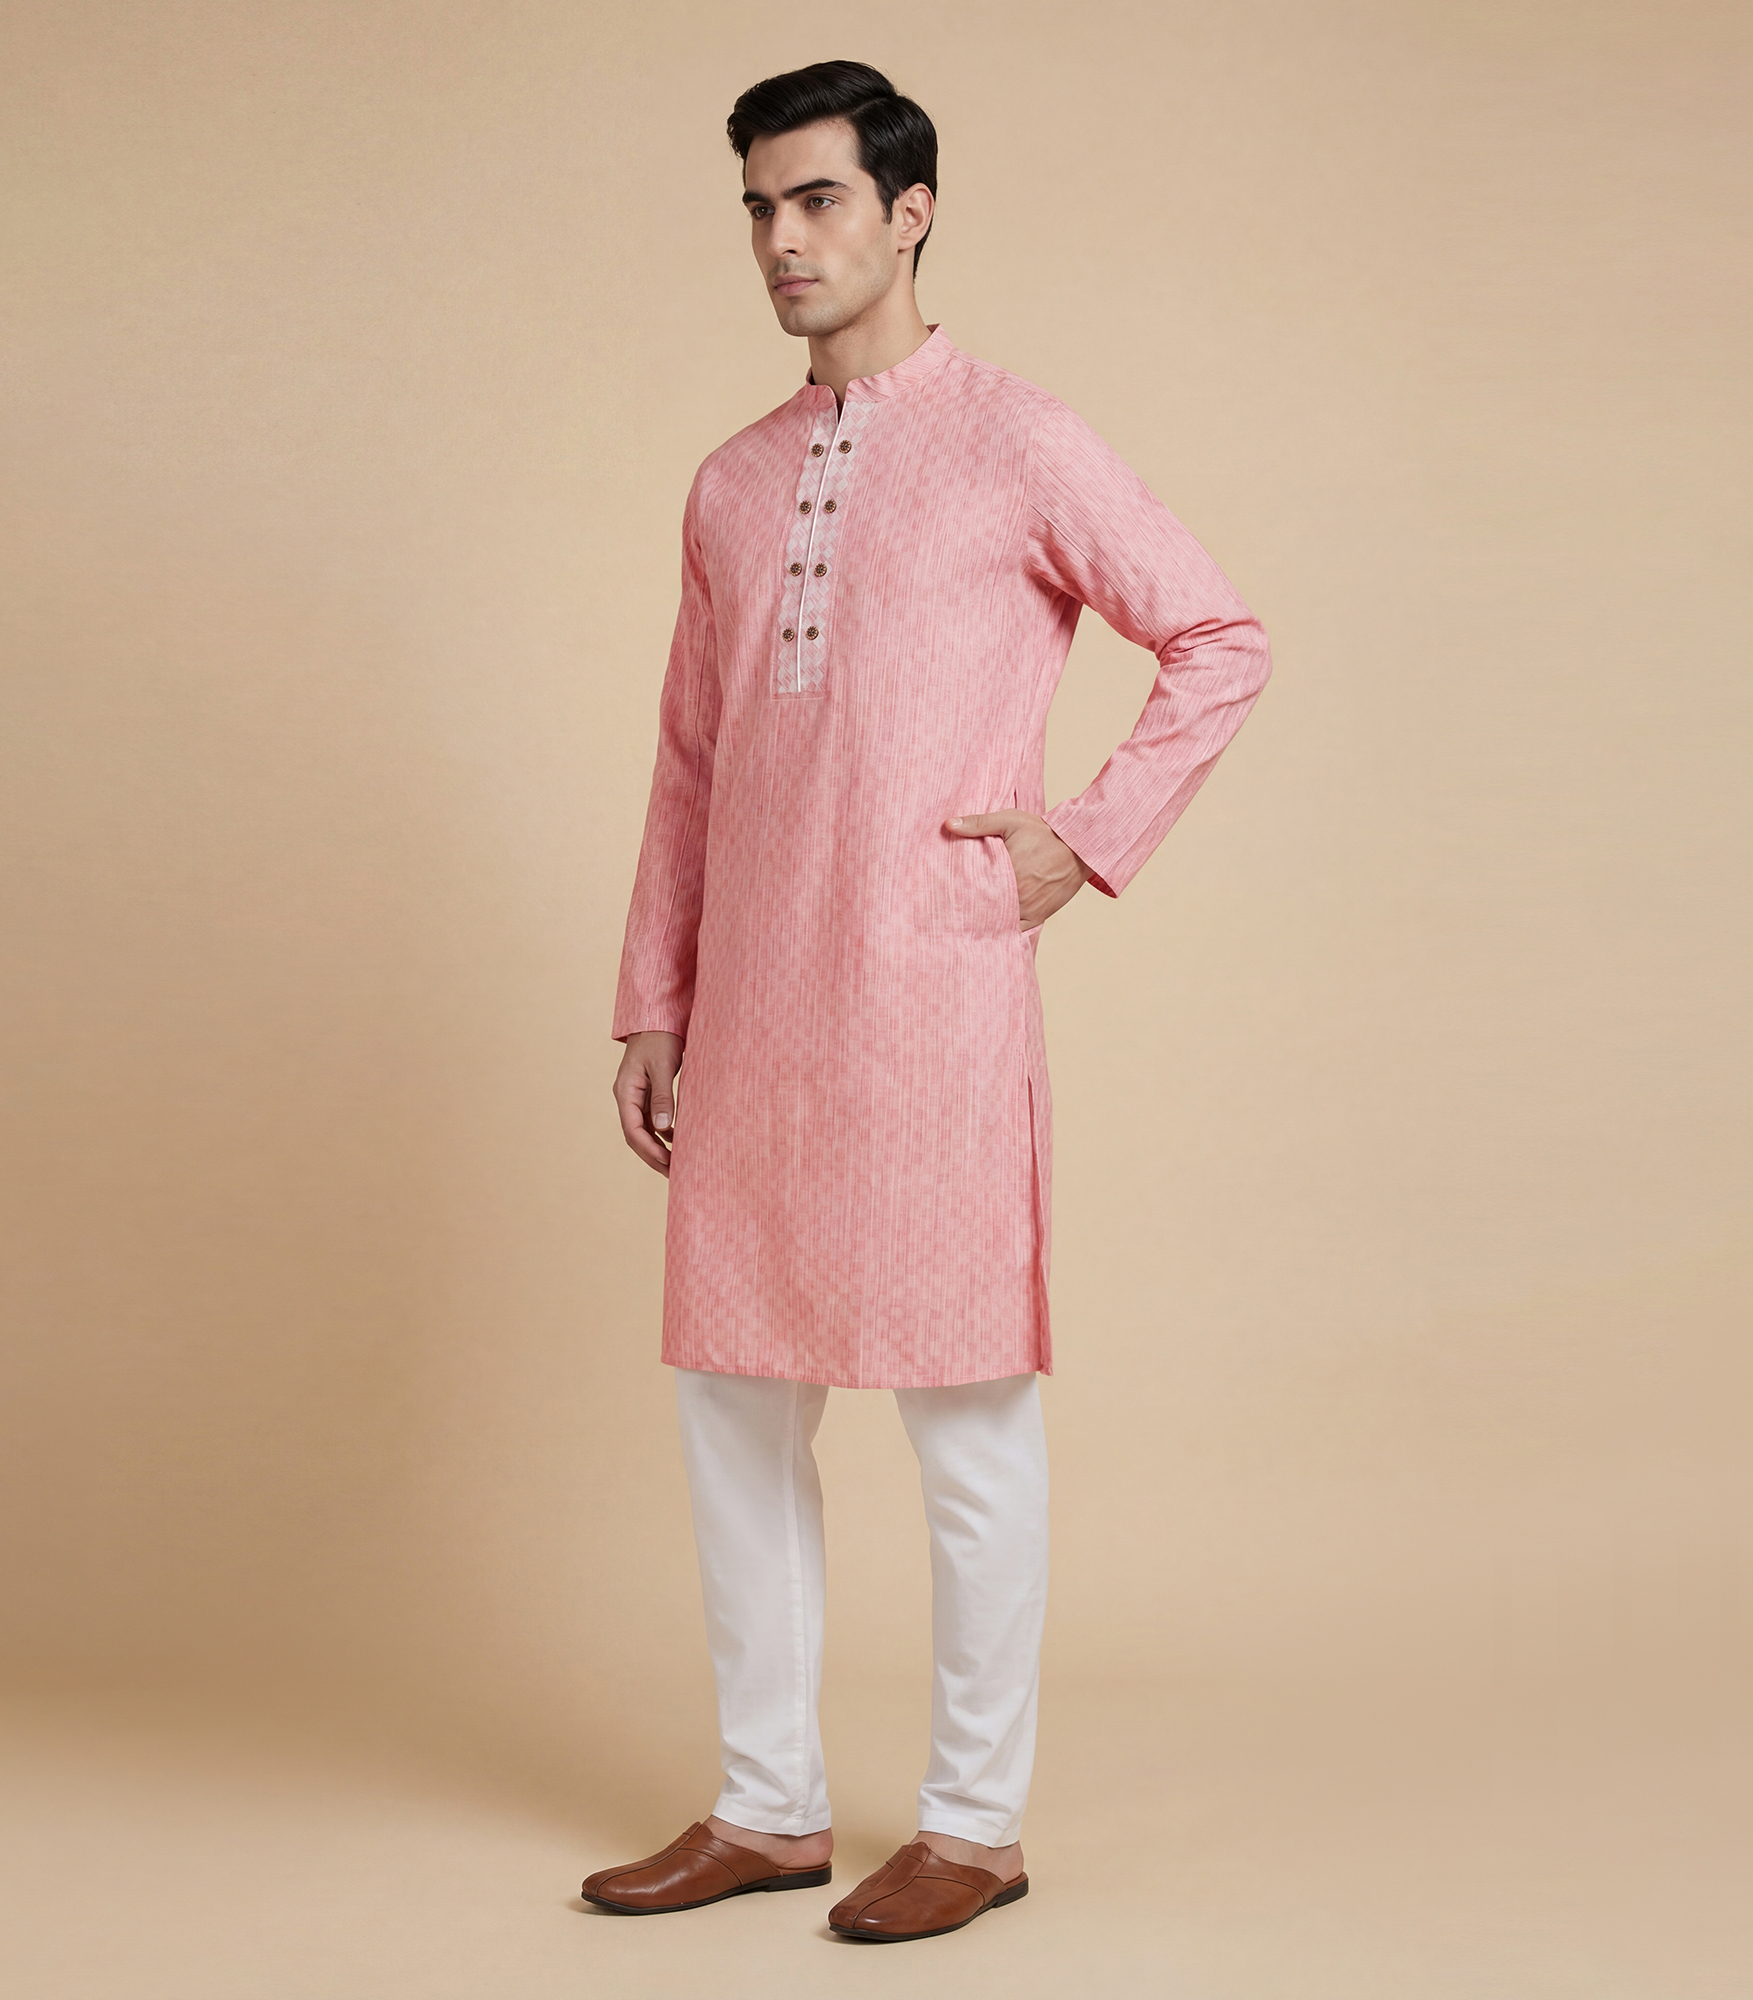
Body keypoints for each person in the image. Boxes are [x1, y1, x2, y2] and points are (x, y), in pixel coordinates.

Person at [589, 60, 1271, 1944]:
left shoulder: (1018, 439)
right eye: (757, 206)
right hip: (753, 1008)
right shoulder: (734, 482)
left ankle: (974, 1825)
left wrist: (1086, 839)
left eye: (816, 200)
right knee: (735, 1406)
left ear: (910, 212)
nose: (780, 240)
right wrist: (653, 997)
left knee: (965, 1421)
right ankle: (766, 1806)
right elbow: (690, 759)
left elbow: (1219, 636)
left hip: (928, 992)